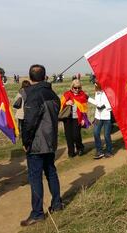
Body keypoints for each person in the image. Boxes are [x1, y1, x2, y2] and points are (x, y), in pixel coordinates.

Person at [21, 64, 63, 226]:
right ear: (44, 76)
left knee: (35, 177)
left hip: (37, 144)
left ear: (30, 77)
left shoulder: (34, 95)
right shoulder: (52, 93)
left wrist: (26, 141)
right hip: (50, 140)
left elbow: (29, 122)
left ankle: (37, 213)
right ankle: (57, 204)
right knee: (51, 171)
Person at [61, 79, 90, 157]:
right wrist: (66, 103)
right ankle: (71, 152)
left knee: (76, 135)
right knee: (68, 136)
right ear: (72, 87)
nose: (77, 89)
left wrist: (84, 119)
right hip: (67, 118)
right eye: (75, 88)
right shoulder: (66, 94)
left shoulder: (82, 95)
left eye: (79, 88)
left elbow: (84, 109)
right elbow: (60, 105)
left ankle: (80, 148)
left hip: (77, 118)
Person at [89, 82, 113, 159]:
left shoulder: (109, 91)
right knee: (96, 133)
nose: (95, 86)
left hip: (106, 117)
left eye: (96, 84)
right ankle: (99, 151)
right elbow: (97, 103)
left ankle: (109, 151)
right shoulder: (97, 93)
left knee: (106, 135)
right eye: (95, 84)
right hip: (98, 117)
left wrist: (105, 106)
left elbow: (113, 101)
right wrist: (88, 98)